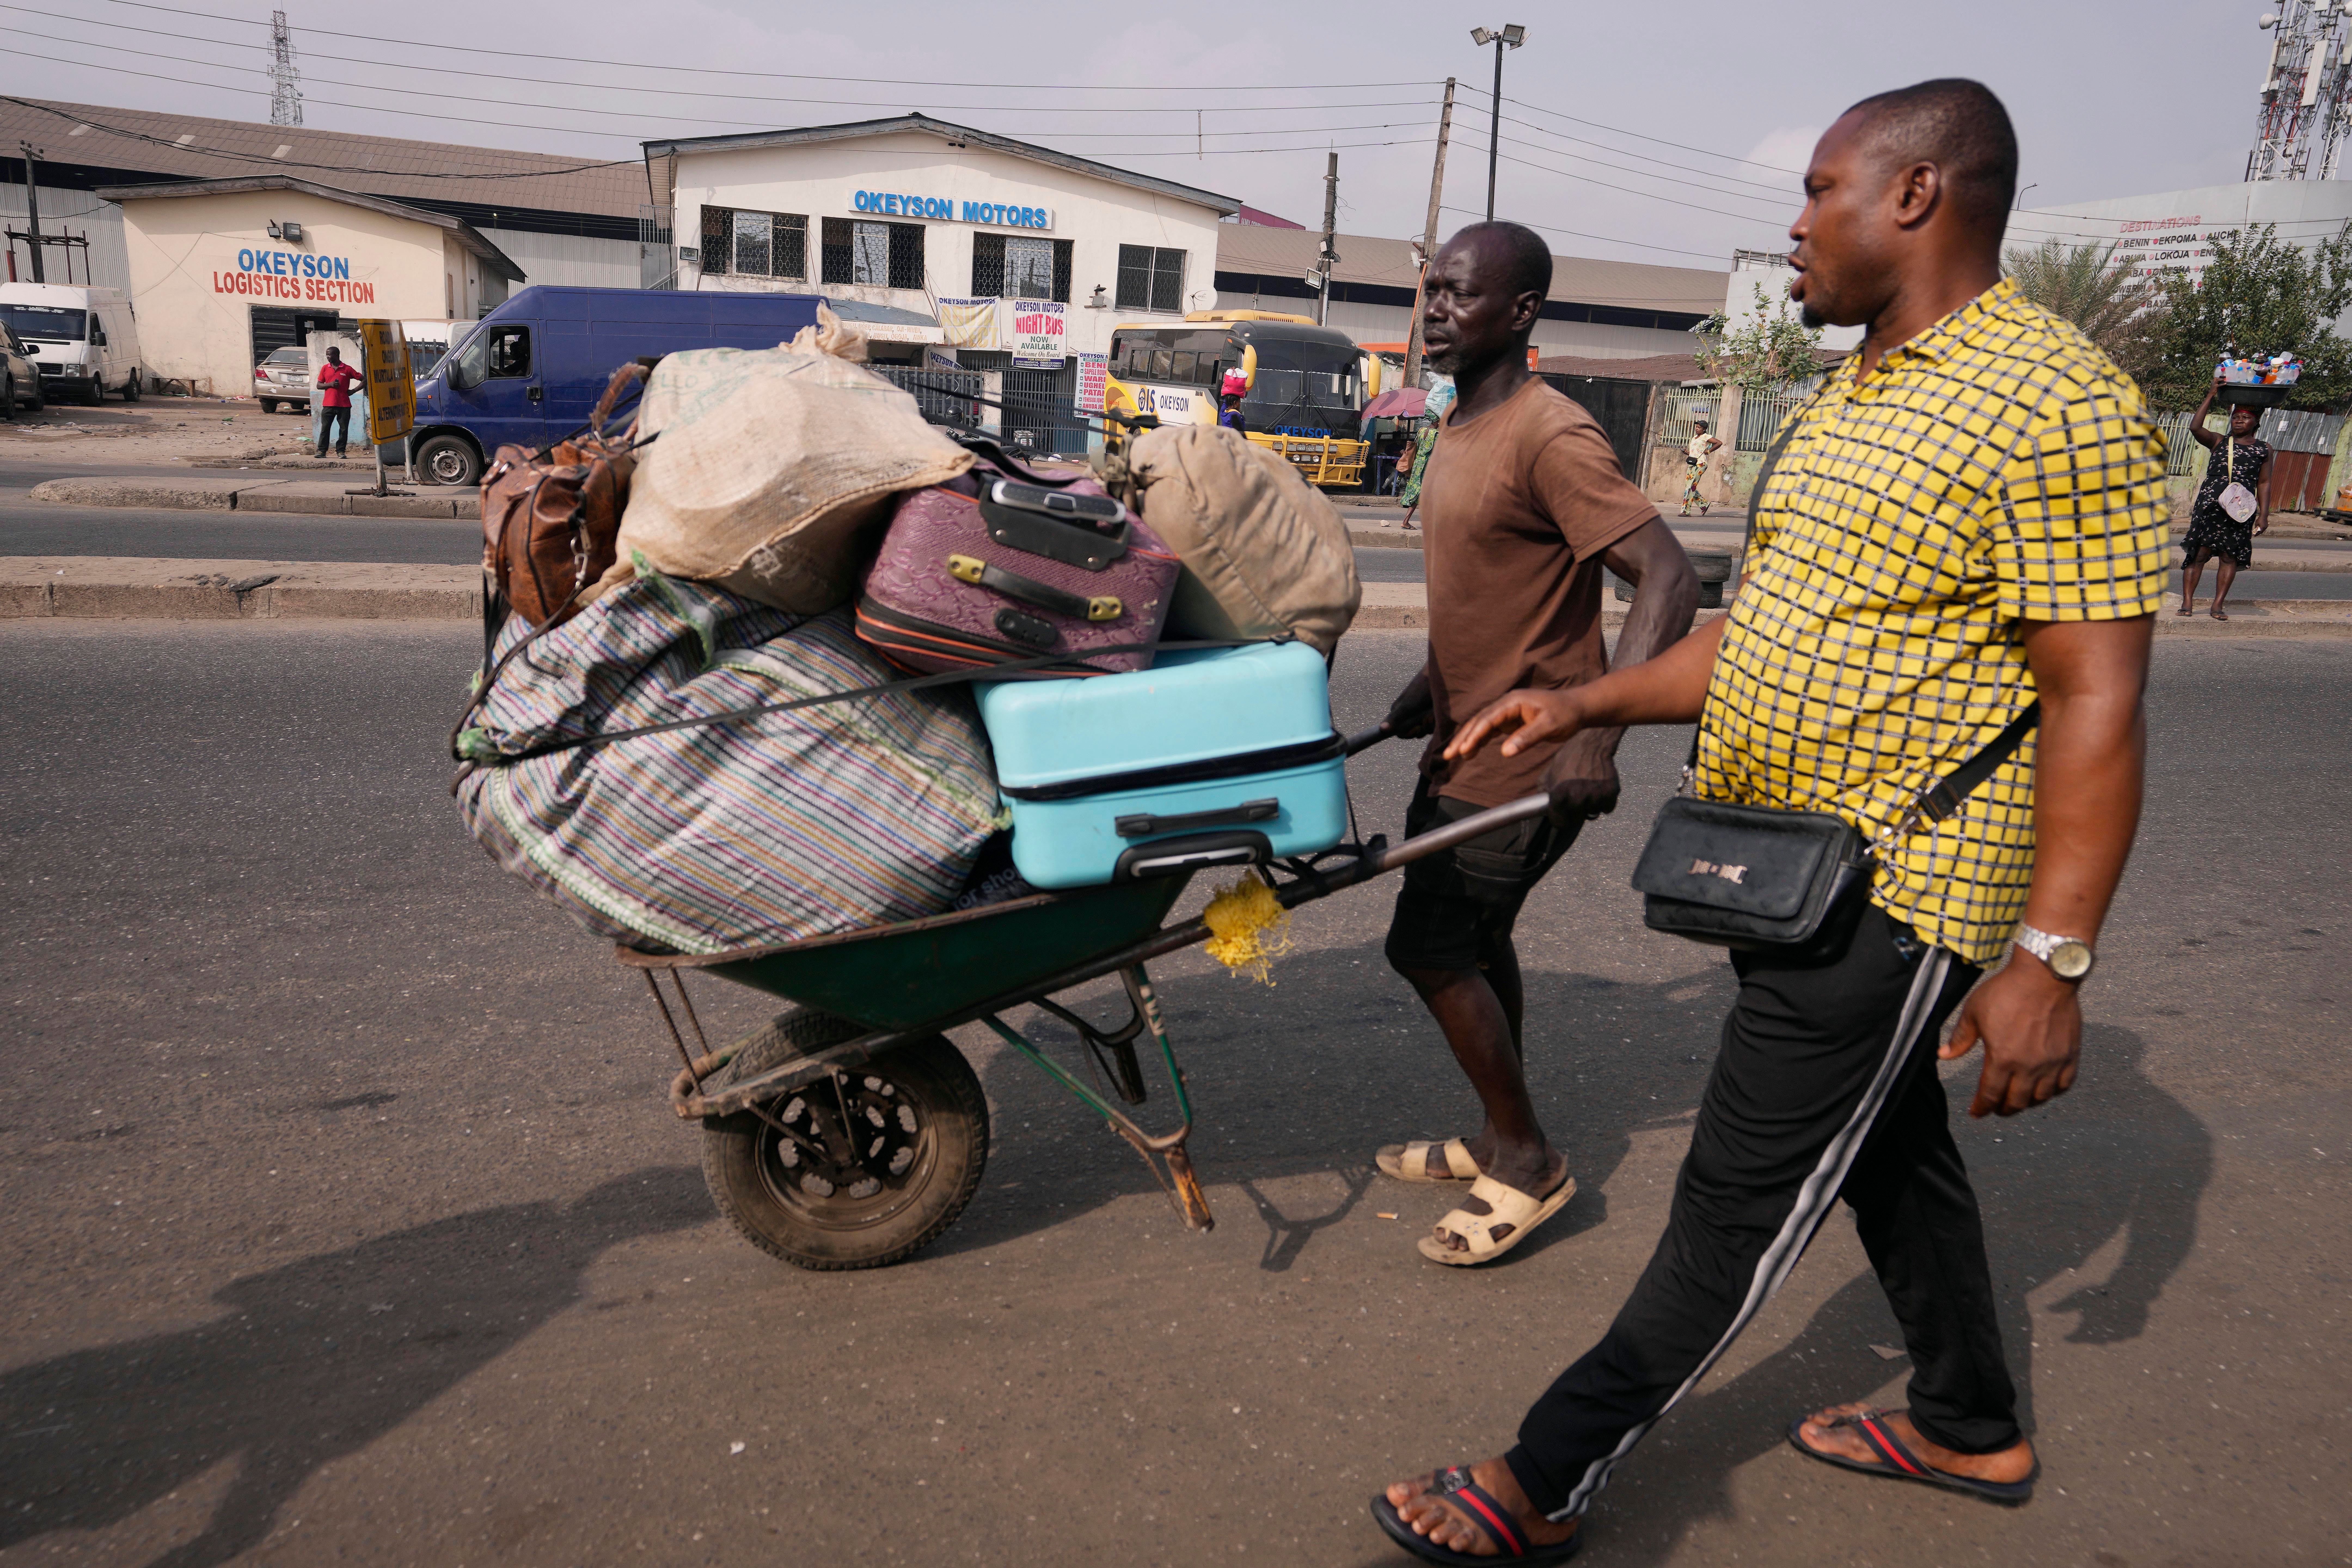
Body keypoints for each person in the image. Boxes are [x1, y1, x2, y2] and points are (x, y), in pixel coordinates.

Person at [1375, 79, 2168, 1563]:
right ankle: (1970, 1421)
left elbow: (2098, 698)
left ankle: (1547, 1473)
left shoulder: (2054, 400)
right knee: (1884, 1146)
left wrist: (2051, 962)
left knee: (1738, 1194)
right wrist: (1587, 705)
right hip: (1786, 869)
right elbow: (1761, 637)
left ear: (1917, 196)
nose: (1793, 225)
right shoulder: (1864, 387)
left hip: (1899, 884)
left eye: (1818, 192)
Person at [1374, 220, 1698, 1268]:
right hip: (1463, 740)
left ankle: (1525, 1158)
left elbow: (1669, 577)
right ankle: (1491, 1130)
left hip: (1532, 748)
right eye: (1430, 292)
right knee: (1476, 936)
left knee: (1427, 946)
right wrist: (1435, 678)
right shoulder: (1459, 422)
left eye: (1458, 295)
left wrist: (1598, 729)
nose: (1434, 311)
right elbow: (1492, 577)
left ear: (1520, 313)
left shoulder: (1547, 432)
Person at [2179, 375, 2270, 621]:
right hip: (2211, 506)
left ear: (2256, 422)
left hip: (2240, 509)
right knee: (2199, 553)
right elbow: (2195, 428)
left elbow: (2264, 482)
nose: (2239, 421)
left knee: (2230, 556)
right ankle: (2187, 602)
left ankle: (2217, 606)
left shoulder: (2264, 449)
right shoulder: (2220, 442)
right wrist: (2211, 395)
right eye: (2236, 417)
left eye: (2246, 417)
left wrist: (2263, 515)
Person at [314, 345, 361, 459]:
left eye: (329, 355)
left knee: (344, 430)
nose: (328, 357)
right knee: (325, 428)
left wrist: (354, 391)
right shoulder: (325, 368)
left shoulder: (347, 369)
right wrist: (330, 385)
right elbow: (319, 385)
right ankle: (322, 451)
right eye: (327, 355)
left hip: (344, 405)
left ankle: (341, 451)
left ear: (336, 355)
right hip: (328, 404)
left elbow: (364, 380)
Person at [1679, 416, 1723, 516]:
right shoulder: (1695, 438)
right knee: (1689, 486)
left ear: (1704, 429)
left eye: (1699, 427)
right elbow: (1695, 451)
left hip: (1701, 464)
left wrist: (1709, 451)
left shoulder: (1706, 437)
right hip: (1692, 463)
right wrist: (1688, 452)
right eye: (1697, 427)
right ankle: (1704, 504)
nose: (1697, 429)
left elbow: (1719, 443)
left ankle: (1686, 511)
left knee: (1691, 487)